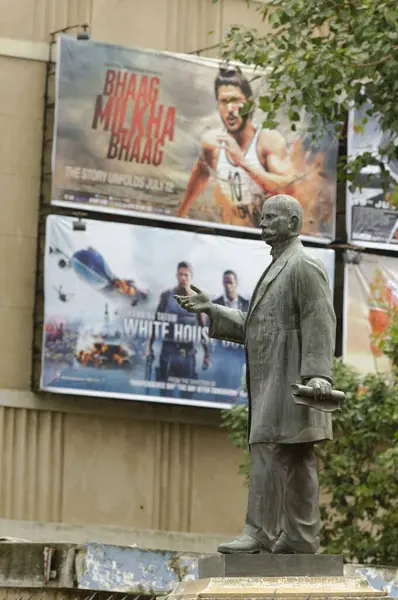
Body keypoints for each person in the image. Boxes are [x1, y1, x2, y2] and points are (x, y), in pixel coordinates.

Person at [174, 194, 336, 554]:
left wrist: (317, 375)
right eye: (262, 217)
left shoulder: (303, 265)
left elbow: (319, 320)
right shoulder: (279, 265)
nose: (262, 223)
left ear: (293, 224)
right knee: (296, 457)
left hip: (293, 379)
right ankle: (299, 537)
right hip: (275, 377)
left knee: (270, 446)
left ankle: (260, 531)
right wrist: (211, 309)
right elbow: (256, 327)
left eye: (271, 217)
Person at [176, 67, 296, 227]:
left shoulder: (267, 141)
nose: (230, 109)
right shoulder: (212, 143)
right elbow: (201, 172)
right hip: (228, 236)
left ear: (249, 103)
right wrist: (181, 213)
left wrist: (244, 163)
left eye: (235, 100)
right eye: (224, 102)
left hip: (264, 239)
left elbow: (288, 189)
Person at [147, 262, 209, 392]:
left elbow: (202, 328)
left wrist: (206, 353)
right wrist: (149, 347)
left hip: (188, 352)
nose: (183, 278)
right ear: (177, 276)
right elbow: (155, 322)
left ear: (191, 277)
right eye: (180, 274)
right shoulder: (166, 296)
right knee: (164, 392)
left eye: (186, 275)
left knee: (187, 394)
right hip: (168, 351)